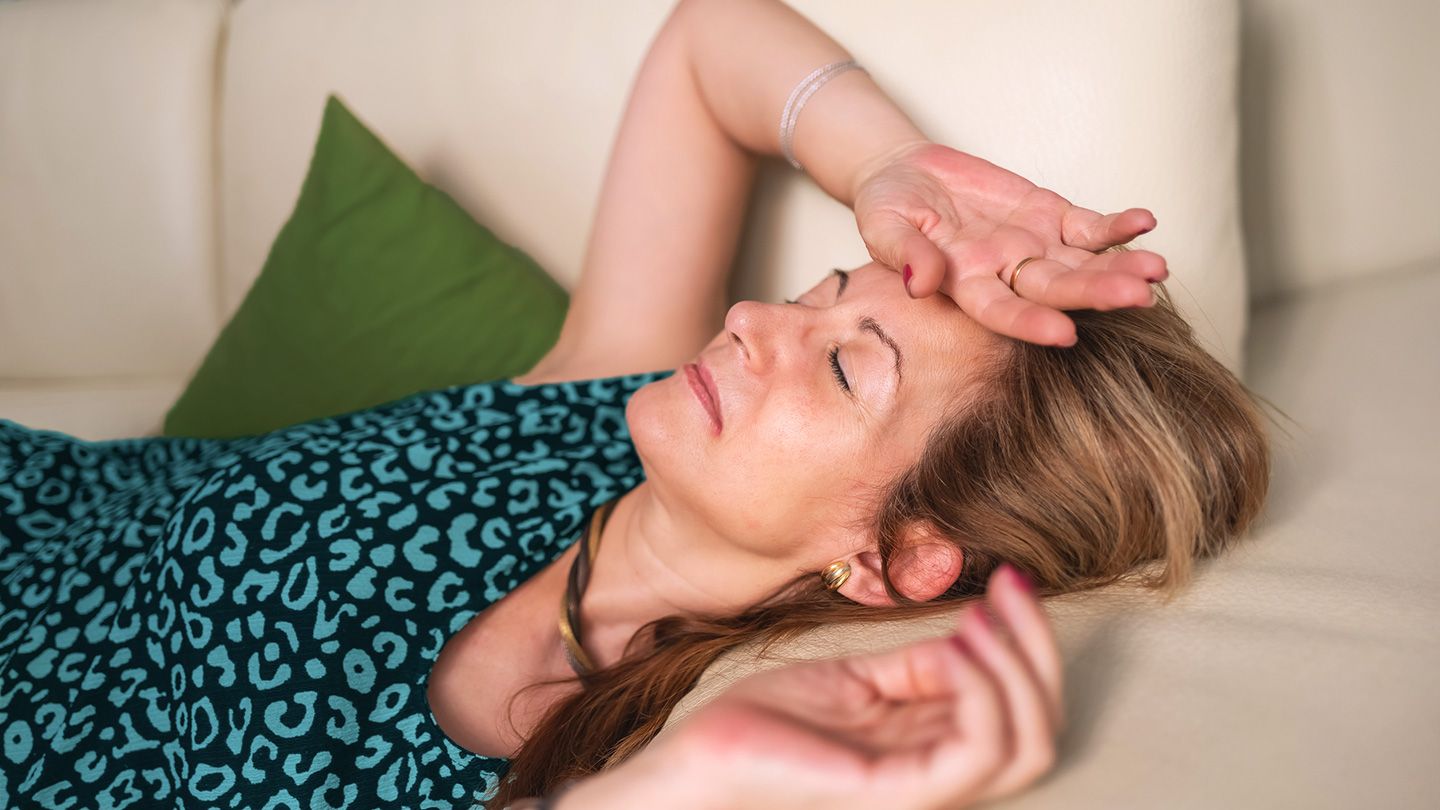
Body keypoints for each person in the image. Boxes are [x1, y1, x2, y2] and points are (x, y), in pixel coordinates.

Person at [0, 1, 1272, 808]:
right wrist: (884, 168)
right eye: (823, 289)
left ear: (899, 558)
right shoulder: (605, 394)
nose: (757, 322)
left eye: (844, 365)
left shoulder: (633, 746)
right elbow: (710, 40)